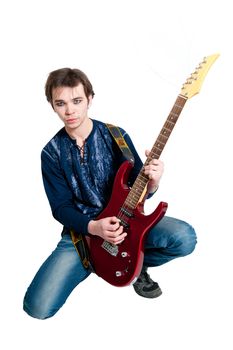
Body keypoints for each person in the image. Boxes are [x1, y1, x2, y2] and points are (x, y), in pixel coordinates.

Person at [23, 68, 197, 319]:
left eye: (77, 101)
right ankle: (95, 262)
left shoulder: (116, 136)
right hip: (82, 235)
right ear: (52, 105)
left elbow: (139, 190)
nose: (70, 110)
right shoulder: (51, 153)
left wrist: (153, 182)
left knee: (184, 237)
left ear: (90, 99)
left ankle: (135, 265)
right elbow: (60, 208)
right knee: (37, 307)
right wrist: (94, 227)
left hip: (129, 225)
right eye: (61, 103)